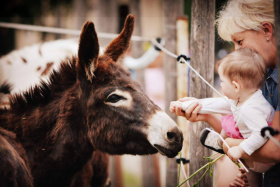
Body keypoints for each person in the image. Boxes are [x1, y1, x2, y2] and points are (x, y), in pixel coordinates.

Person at [171, 0, 280, 186]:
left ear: (267, 31)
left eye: (239, 41)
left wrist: (226, 144)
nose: (237, 50)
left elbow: (274, 149)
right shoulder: (265, 77)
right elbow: (244, 124)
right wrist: (205, 113)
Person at [170, 48, 275, 173]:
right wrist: (189, 104)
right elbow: (217, 104)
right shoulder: (244, 97)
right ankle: (222, 140)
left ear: (236, 86)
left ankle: (221, 142)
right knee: (230, 118)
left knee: (252, 178)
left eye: (223, 82)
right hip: (250, 142)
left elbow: (261, 134)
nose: (221, 85)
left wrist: (241, 149)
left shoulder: (250, 109)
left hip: (263, 159)